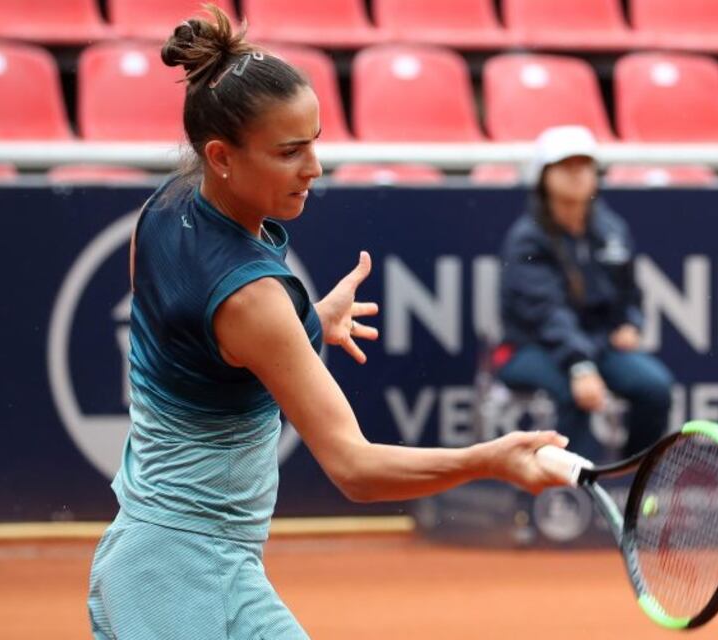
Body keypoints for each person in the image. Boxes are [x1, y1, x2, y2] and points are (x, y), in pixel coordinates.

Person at [86, 7, 569, 639]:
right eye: (289, 152)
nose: (314, 167)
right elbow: (355, 468)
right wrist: (491, 461)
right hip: (176, 580)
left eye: (314, 140)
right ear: (221, 156)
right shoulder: (253, 299)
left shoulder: (165, 208)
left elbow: (200, 346)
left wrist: (304, 324)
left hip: (187, 558)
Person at [496, 125, 674, 463]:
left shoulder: (612, 230)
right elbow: (547, 315)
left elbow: (630, 294)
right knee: (574, 393)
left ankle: (631, 479)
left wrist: (631, 324)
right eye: (566, 166)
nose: (578, 174)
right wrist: (580, 366)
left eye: (585, 165)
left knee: (655, 387)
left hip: (598, 345)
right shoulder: (526, 239)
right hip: (532, 347)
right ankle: (571, 499)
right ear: (544, 176)